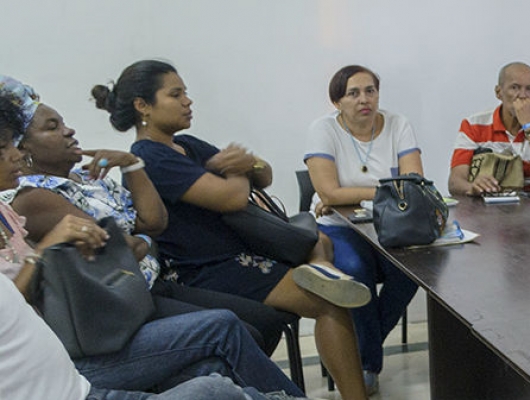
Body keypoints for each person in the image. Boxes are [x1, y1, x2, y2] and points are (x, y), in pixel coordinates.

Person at [0, 89, 304, 400]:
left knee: (216, 369)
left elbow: (154, 224)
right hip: (104, 319)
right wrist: (48, 249)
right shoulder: (32, 196)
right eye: (52, 128)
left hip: (139, 289)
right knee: (228, 329)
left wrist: (132, 166)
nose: (69, 131)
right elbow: (123, 248)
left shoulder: (65, 187)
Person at [94, 59, 370, 400]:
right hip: (206, 269)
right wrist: (241, 168)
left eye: (186, 93)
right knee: (330, 303)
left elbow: (264, 174)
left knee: (320, 239)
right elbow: (232, 198)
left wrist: (246, 165)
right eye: (175, 94)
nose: (187, 101)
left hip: (240, 254)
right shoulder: (151, 156)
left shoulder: (187, 144)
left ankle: (322, 269)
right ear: (143, 106)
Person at [304, 65, 421, 394]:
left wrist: (344, 193)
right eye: (353, 93)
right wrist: (386, 189)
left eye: (370, 90)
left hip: (388, 224)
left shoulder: (398, 124)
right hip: (337, 224)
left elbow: (412, 185)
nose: (364, 99)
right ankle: (367, 366)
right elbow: (328, 193)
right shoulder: (323, 129)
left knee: (411, 273)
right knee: (355, 272)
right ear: (337, 101)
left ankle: (358, 354)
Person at [448, 61, 530, 196]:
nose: (522, 95)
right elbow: (455, 182)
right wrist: (472, 187)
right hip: (490, 205)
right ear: (499, 92)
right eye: (515, 88)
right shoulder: (473, 124)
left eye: (529, 89)